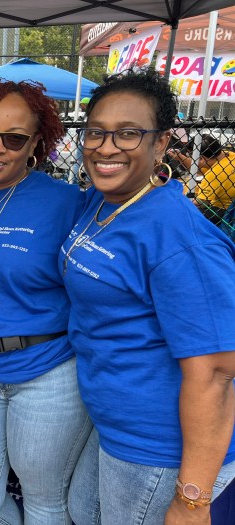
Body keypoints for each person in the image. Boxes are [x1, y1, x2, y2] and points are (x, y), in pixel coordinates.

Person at [62, 69, 235, 525]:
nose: (106, 146)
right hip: (114, 422)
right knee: (81, 511)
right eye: (96, 132)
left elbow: (218, 371)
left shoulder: (179, 238)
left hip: (159, 444)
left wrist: (191, 501)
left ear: (161, 143)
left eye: (128, 134)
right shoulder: (105, 203)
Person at [0, 80, 91, 525]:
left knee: (45, 502)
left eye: (14, 138)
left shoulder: (67, 201)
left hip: (49, 371)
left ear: (35, 146)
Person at [192, 135, 235, 224]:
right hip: (232, 204)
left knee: (190, 213)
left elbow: (202, 202)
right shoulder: (230, 154)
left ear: (201, 158)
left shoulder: (213, 174)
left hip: (224, 209)